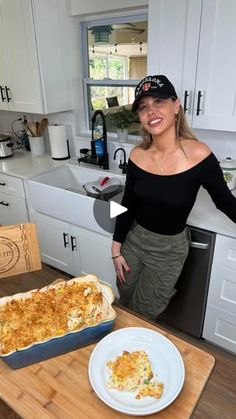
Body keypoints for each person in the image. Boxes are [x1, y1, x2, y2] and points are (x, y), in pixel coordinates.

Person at [111, 74, 236, 322]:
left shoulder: (199, 154)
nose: (151, 112)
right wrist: (116, 248)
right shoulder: (137, 155)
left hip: (168, 251)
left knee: (144, 313)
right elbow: (127, 204)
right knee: (124, 302)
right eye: (144, 107)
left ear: (176, 105)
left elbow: (225, 202)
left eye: (158, 102)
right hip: (134, 243)